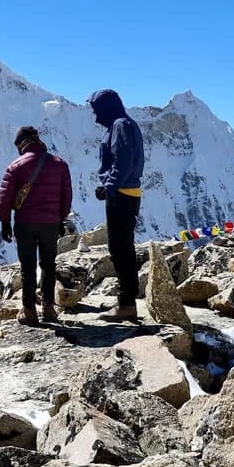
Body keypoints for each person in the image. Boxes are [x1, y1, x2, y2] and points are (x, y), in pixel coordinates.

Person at [0, 125, 73, 324]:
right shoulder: (59, 164)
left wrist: (5, 222)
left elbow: (5, 198)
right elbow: (66, 196)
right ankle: (48, 308)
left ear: (22, 143)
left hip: (25, 224)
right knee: (48, 265)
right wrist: (61, 218)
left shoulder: (15, 166)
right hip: (50, 223)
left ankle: (29, 311)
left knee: (27, 267)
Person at [87, 89, 145, 319]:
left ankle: (127, 304)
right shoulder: (124, 124)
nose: (95, 116)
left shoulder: (120, 125)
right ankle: (126, 302)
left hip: (121, 194)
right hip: (126, 192)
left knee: (120, 249)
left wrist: (109, 186)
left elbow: (123, 161)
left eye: (96, 110)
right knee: (122, 248)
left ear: (106, 108)